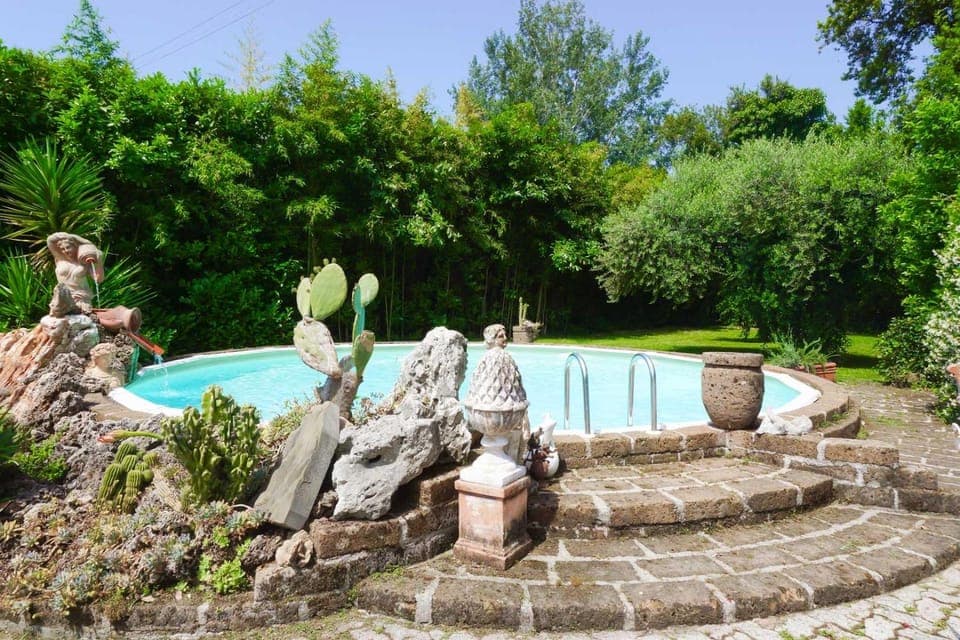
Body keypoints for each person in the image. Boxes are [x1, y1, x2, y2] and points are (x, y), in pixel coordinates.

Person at [46, 232, 104, 312]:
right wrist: (70, 236)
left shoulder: (85, 262)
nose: (65, 251)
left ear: (75, 246)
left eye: (68, 247)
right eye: (63, 249)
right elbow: (50, 240)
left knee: (82, 322)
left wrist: (99, 260)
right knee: (57, 322)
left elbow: (99, 279)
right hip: (62, 298)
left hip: (80, 299)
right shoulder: (60, 258)